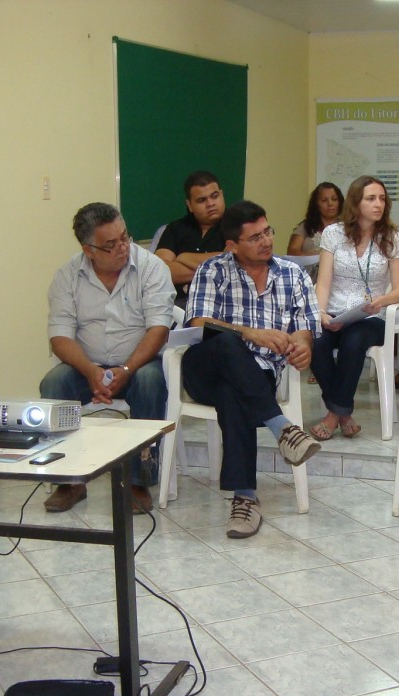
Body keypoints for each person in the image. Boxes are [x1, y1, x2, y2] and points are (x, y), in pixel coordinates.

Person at [184, 201, 322, 539]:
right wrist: (248, 332)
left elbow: (306, 325)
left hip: (258, 375)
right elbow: (199, 323)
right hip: (205, 366)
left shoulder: (292, 274)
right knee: (229, 341)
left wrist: (303, 346)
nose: (266, 241)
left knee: (232, 393)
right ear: (232, 245)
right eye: (255, 237)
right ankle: (282, 429)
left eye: (268, 231)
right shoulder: (213, 270)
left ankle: (244, 498)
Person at [39, 202, 175, 514]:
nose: (122, 248)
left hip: (140, 363)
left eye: (125, 238)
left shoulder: (151, 268)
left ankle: (138, 481)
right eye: (111, 245)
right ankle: (70, 479)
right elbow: (59, 336)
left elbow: (158, 329)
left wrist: (126, 368)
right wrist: (89, 371)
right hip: (89, 367)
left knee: (152, 380)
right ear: (89, 250)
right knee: (54, 382)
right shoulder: (67, 276)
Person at [310, 175, 399, 440]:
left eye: (382, 199)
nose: (379, 204)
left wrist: (381, 301)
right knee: (315, 341)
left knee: (353, 341)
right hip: (335, 312)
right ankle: (344, 414)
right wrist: (320, 313)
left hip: (369, 316)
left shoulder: (392, 237)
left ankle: (333, 415)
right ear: (356, 202)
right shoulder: (333, 234)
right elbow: (323, 283)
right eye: (371, 198)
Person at [154, 170, 227, 301]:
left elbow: (234, 264)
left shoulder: (239, 226)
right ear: (190, 205)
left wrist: (183, 257)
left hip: (219, 304)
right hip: (175, 305)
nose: (210, 204)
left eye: (215, 196)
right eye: (201, 200)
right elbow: (160, 271)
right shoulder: (175, 228)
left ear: (222, 195)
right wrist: (213, 270)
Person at [286, 182, 342, 256]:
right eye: (324, 200)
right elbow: (292, 252)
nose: (330, 203)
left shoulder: (348, 227)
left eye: (334, 199)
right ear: (316, 204)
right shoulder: (306, 226)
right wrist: (313, 257)